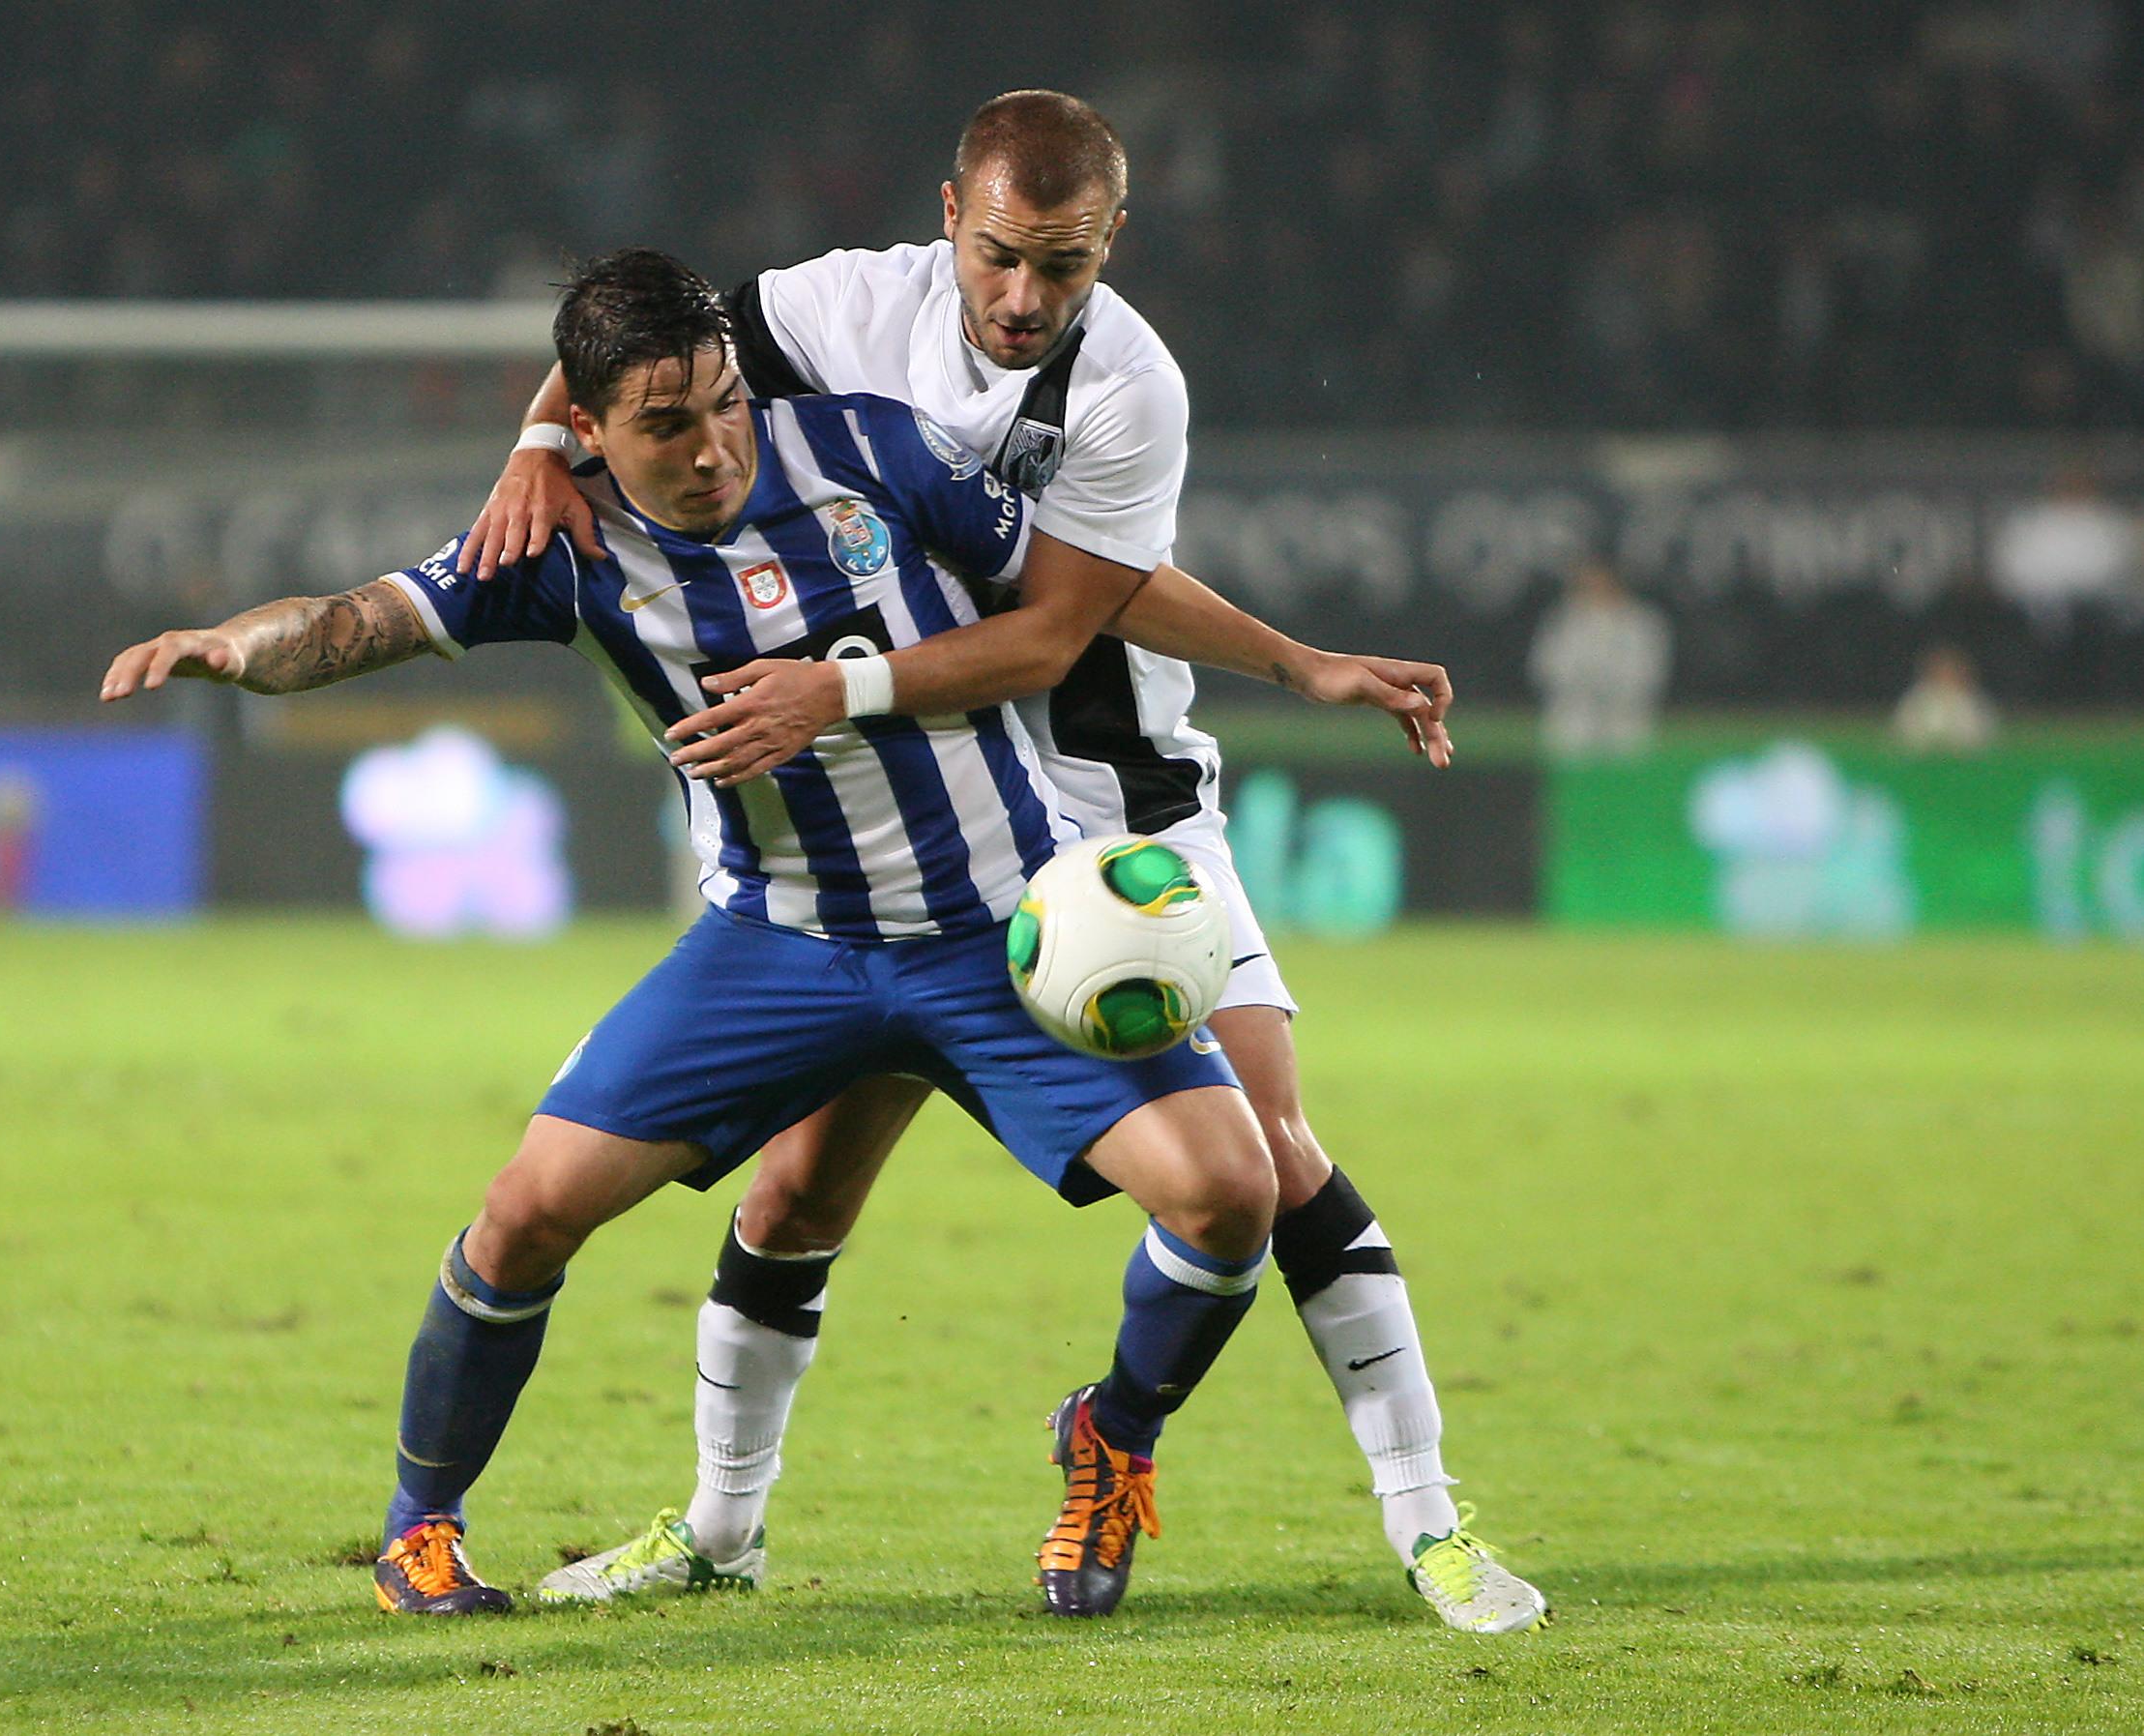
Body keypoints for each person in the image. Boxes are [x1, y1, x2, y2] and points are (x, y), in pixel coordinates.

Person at [463, 92, 1544, 1633]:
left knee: (1270, 1159)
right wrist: (531, 440)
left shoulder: (1129, 384)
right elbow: (633, 342)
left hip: (1109, 812)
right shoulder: (840, 309)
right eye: (997, 258)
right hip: (911, 817)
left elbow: (1060, 614)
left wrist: (1290, 666)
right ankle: (716, 1524)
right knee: (791, 1187)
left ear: (1112, 242)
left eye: (1063, 263)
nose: (1024, 298)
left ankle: (1380, 1508)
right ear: (945, 219)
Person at [103, 249, 1291, 1618]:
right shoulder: (564, 545)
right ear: (587, 431)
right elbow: (358, 618)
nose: (713, 443)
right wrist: (236, 647)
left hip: (998, 928)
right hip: (777, 948)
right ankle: (418, 1530)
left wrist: (1300, 663)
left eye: (724, 402)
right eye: (665, 426)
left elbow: (1091, 589)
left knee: (1229, 1195)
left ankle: (1110, 1435)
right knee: (524, 1210)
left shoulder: (865, 446)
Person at [1528, 555, 1670, 758]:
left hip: (1627, 714)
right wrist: (1583, 684)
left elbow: (1649, 672)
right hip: (1573, 711)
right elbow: (1546, 668)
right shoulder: (1562, 620)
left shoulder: (1642, 622)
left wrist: (1612, 687)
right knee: (1568, 739)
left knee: (1629, 750)